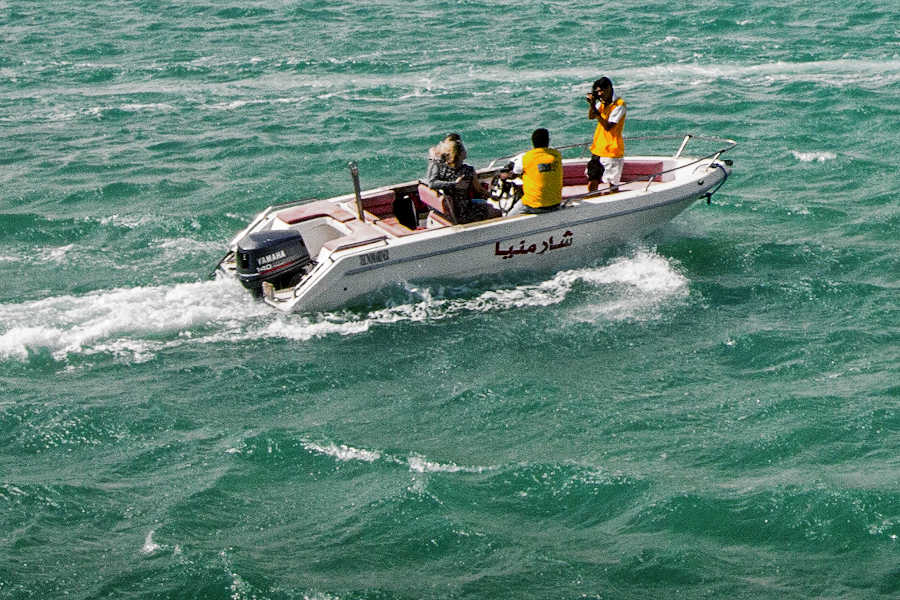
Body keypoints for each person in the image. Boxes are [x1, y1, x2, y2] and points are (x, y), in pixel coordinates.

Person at [424, 133, 498, 224]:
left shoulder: (441, 168)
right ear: (458, 154)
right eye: (463, 149)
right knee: (495, 211)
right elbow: (480, 190)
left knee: (482, 203)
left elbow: (432, 183)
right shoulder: (468, 171)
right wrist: (494, 197)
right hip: (464, 213)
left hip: (450, 212)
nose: (465, 151)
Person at [506, 128, 563, 216]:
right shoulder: (556, 155)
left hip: (533, 206)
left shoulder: (526, 157)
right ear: (548, 141)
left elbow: (515, 172)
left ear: (532, 142)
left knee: (509, 217)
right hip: (555, 203)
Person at [585, 77, 626, 193]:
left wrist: (598, 113)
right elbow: (591, 116)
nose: (600, 94)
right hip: (598, 148)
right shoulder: (601, 103)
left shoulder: (619, 105)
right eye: (597, 92)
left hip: (612, 150)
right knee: (592, 180)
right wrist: (592, 104)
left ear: (609, 88)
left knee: (613, 185)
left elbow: (608, 126)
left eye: (601, 91)